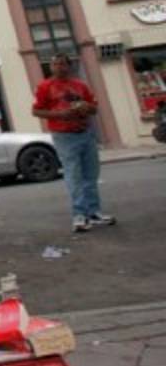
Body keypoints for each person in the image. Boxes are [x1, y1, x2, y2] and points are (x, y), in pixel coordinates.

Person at [32, 52, 115, 233]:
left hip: (85, 132)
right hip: (63, 135)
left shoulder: (80, 85)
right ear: (51, 67)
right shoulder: (45, 86)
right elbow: (36, 111)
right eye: (55, 64)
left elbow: (94, 107)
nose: (58, 67)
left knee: (91, 175)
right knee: (73, 175)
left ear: (69, 66)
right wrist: (59, 114)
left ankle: (94, 212)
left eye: (62, 64)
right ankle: (79, 215)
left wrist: (87, 107)